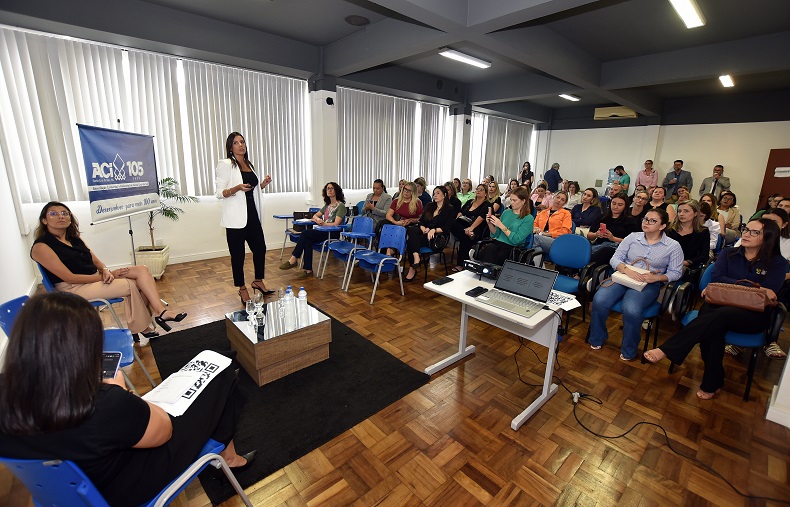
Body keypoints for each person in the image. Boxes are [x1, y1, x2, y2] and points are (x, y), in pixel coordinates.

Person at [0, 292, 251, 507]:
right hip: (127, 487)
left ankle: (227, 456)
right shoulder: (104, 404)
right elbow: (164, 431)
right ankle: (228, 458)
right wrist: (117, 391)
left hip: (65, 493)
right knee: (223, 373)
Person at [643, 219, 785, 399]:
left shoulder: (777, 263)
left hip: (753, 315)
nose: (746, 234)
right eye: (746, 229)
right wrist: (755, 287)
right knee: (713, 328)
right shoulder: (729, 253)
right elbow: (716, 278)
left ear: (769, 238)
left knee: (719, 317)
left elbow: (771, 293)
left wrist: (731, 286)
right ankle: (713, 381)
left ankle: (668, 349)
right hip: (719, 304)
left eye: (754, 232)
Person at [30, 202, 187, 343]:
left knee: (142, 271)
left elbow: (98, 263)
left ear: (70, 218)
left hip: (93, 280)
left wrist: (106, 271)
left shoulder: (75, 239)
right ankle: (142, 327)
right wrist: (107, 276)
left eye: (65, 213)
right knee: (129, 284)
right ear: (44, 220)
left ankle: (160, 311)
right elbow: (68, 277)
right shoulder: (41, 246)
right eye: (54, 213)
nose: (60, 216)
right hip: (72, 289)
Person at [589, 209, 684, 361]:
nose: (646, 222)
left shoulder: (673, 246)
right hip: (624, 276)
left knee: (631, 309)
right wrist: (626, 270)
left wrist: (658, 278)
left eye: (653, 220)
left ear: (662, 226)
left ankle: (629, 349)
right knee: (599, 300)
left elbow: (676, 272)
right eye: (645, 219)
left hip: (648, 283)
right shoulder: (633, 237)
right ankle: (597, 337)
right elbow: (615, 259)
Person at [215, 131, 274, 304]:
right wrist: (236, 188)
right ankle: (241, 288)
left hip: (252, 214)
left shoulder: (249, 164)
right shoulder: (226, 164)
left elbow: (253, 190)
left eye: (242, 142)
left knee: (260, 249)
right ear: (230, 147)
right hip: (235, 219)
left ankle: (258, 280)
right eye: (236, 143)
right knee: (238, 255)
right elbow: (220, 193)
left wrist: (262, 184)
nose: (241, 145)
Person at [280, 182, 347, 278]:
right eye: (328, 188)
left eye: (332, 188)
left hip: (332, 233)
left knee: (305, 233)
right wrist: (317, 219)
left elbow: (336, 224)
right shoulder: (327, 206)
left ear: (337, 191)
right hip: (323, 231)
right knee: (307, 240)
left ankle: (294, 258)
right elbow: (315, 215)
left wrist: (323, 223)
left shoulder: (341, 206)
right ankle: (308, 270)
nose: (330, 190)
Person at [750, 208, 789, 358]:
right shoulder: (750, 238)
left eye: (772, 222)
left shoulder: (786, 244)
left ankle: (771, 340)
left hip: (779, 280)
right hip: (752, 281)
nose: (765, 225)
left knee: (775, 293)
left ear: (783, 225)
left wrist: (780, 276)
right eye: (763, 221)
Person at [404, 186, 455, 282]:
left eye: (438, 193)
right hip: (425, 234)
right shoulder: (430, 206)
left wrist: (434, 230)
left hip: (437, 238)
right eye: (434, 193)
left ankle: (413, 267)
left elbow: (447, 227)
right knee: (411, 229)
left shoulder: (449, 209)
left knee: (411, 241)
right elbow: (421, 221)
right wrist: (423, 229)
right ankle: (416, 256)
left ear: (444, 195)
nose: (435, 195)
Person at [478, 187, 534, 266]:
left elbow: (516, 240)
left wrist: (501, 225)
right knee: (488, 248)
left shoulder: (528, 218)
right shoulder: (506, 212)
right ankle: (486, 271)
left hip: (512, 247)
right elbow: (495, 234)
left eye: (515, 200)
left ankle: (487, 271)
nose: (512, 203)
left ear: (523, 201)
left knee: (490, 251)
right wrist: (490, 223)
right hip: (497, 243)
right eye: (511, 200)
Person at [451, 184, 491, 271]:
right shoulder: (470, 202)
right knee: (452, 223)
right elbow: (461, 211)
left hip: (478, 229)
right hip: (465, 227)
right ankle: (467, 234)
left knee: (465, 238)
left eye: (481, 190)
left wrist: (471, 228)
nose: (478, 191)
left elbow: (481, 218)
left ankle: (461, 264)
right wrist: (459, 216)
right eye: (477, 189)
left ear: (485, 193)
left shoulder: (487, 204)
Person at [586, 193, 639, 257]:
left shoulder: (630, 221)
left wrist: (613, 238)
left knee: (605, 251)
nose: (615, 207)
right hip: (598, 246)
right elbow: (589, 235)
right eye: (613, 203)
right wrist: (596, 234)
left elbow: (632, 242)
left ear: (625, 206)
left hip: (616, 248)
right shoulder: (602, 217)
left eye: (620, 205)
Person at [666, 200, 710, 275]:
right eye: (679, 211)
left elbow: (704, 256)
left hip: (687, 267)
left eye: (686, 211)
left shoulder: (703, 232)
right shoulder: (669, 229)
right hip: (666, 262)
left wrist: (685, 262)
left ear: (695, 213)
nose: (681, 214)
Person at [532, 191, 572, 257]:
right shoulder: (543, 212)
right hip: (541, 238)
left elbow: (565, 231)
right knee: (537, 248)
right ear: (553, 197)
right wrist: (536, 229)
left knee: (535, 238)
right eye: (558, 197)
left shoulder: (566, 214)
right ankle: (540, 266)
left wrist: (547, 234)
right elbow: (534, 224)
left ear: (565, 203)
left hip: (557, 241)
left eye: (562, 200)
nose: (559, 200)